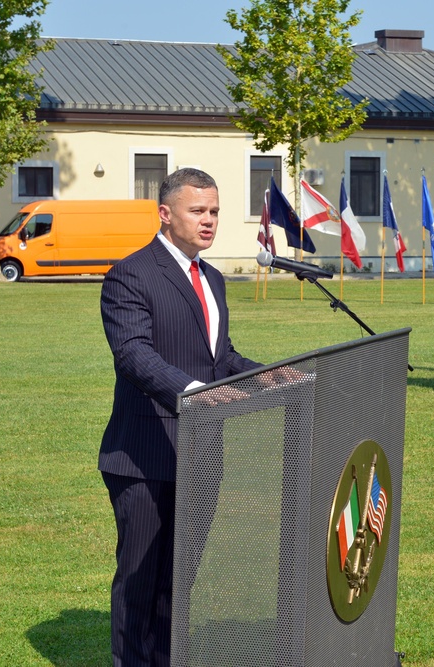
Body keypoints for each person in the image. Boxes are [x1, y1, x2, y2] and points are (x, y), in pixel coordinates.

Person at [98, 168, 263, 666]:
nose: (209, 221)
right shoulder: (131, 273)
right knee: (140, 580)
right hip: (144, 456)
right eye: (198, 211)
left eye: (214, 211)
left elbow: (221, 358)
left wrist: (272, 376)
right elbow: (133, 354)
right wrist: (194, 395)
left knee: (179, 577)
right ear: (165, 214)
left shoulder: (212, 277)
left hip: (202, 451)